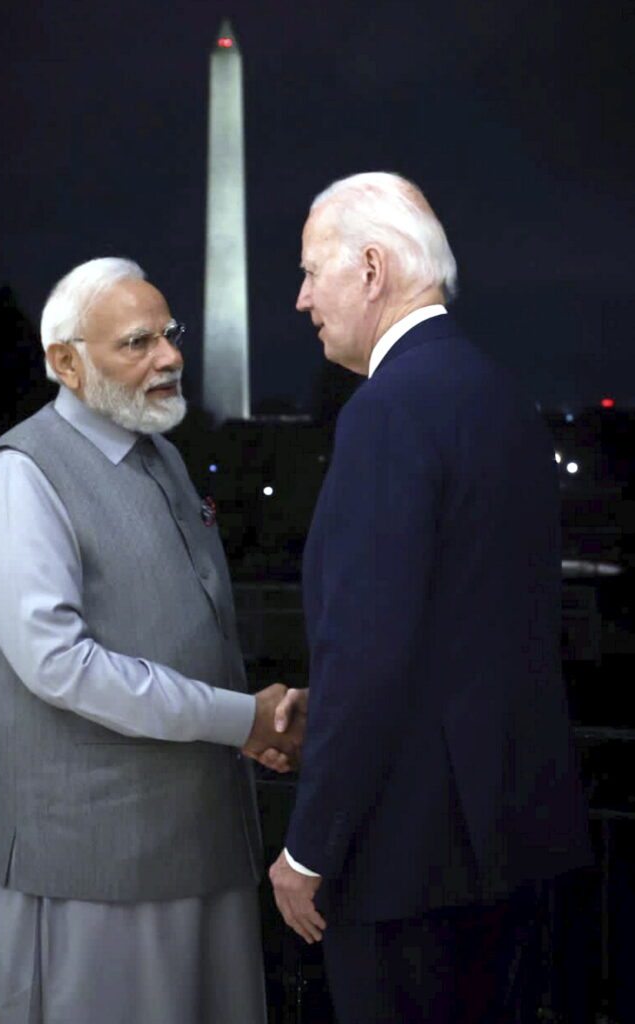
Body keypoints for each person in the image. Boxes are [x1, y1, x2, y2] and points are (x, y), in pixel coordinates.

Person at [268, 173, 593, 1024]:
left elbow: (370, 653)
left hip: (408, 862)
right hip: (516, 836)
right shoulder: (499, 395)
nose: (302, 299)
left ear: (370, 269)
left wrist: (307, 850)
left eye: (310, 272)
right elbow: (474, 621)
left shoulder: (387, 411)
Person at [0, 257, 302, 1024]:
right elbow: (57, 664)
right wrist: (240, 720)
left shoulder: (164, 455)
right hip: (95, 865)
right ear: (65, 362)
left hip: (201, 845)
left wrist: (252, 731)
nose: (169, 356)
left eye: (170, 335)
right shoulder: (22, 474)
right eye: (137, 342)